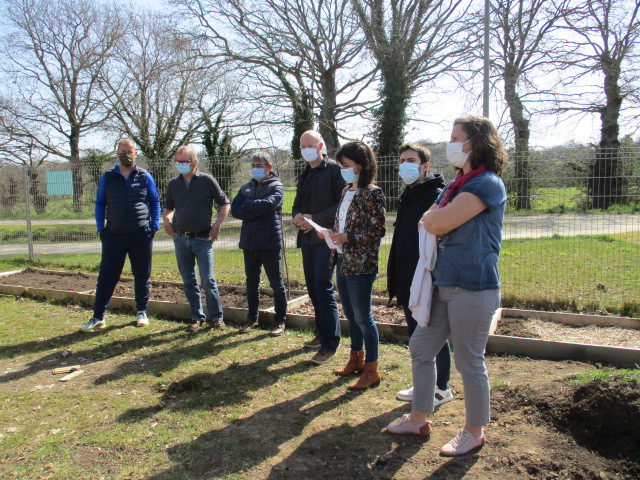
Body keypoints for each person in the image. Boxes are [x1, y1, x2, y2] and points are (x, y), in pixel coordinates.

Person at [387, 116, 508, 457]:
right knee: (421, 348)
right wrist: (431, 218)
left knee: (469, 362)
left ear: (478, 143)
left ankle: (474, 432)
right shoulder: (457, 185)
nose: (451, 144)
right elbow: (430, 218)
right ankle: (418, 419)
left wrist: (431, 218)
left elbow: (438, 221)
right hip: (443, 284)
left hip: (474, 287)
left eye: (457, 138)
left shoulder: (486, 183)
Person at [387, 143, 453, 406]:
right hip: (407, 275)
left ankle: (441, 388)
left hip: (425, 275)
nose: (405, 165)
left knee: (432, 334)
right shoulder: (408, 194)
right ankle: (424, 384)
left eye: (411, 160)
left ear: (425, 166)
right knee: (417, 333)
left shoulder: (436, 195)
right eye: (402, 160)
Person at [322, 142, 386, 389]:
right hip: (342, 261)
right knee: (350, 315)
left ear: (361, 165)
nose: (343, 170)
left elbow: (377, 231)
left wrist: (348, 237)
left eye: (347, 165)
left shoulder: (373, 193)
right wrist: (330, 233)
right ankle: (356, 359)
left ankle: (372, 370)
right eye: (341, 166)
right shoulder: (346, 191)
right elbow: (343, 225)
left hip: (361, 265)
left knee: (363, 318)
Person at [79, 139, 161, 332]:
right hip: (114, 235)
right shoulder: (108, 176)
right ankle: (98, 316)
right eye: (123, 151)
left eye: (130, 151)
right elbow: (100, 203)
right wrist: (101, 229)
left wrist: (154, 226)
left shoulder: (144, 176)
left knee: (142, 274)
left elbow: (155, 201)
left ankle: (142, 312)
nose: (127, 155)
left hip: (140, 234)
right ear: (117, 153)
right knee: (107, 276)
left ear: (136, 153)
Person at [163, 145, 230, 332]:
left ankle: (216, 317)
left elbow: (224, 203)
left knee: (208, 280)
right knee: (188, 280)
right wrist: (166, 220)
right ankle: (197, 317)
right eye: (178, 162)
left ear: (194, 162)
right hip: (180, 239)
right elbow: (168, 206)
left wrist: (217, 226)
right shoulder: (173, 184)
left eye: (184, 161)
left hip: (203, 239)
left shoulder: (207, 181)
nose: (181, 165)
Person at [292, 130, 346, 364]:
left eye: (310, 145)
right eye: (303, 147)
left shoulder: (334, 170)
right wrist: (297, 217)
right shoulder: (304, 174)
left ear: (321, 146)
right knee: (313, 289)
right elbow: (296, 204)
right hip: (307, 239)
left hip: (326, 240)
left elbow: (342, 203)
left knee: (323, 289)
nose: (306, 150)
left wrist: (316, 218)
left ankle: (330, 344)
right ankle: (321, 333)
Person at [231, 151, 287, 337]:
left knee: (276, 284)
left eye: (259, 166)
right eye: (253, 166)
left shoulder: (276, 186)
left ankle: (280, 321)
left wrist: (247, 204)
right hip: (249, 243)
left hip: (269, 242)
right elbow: (235, 209)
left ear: (268, 167)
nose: (255, 169)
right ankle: (252, 318)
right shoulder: (246, 187)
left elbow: (269, 205)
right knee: (251, 283)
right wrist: (254, 213)